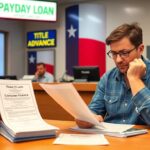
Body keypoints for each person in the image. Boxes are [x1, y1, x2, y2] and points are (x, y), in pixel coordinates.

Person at [76, 23, 150, 128]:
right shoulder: (108, 77)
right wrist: (87, 118)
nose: (118, 60)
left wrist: (134, 79)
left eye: (124, 53)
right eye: (114, 54)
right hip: (111, 140)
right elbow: (94, 111)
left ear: (140, 49)